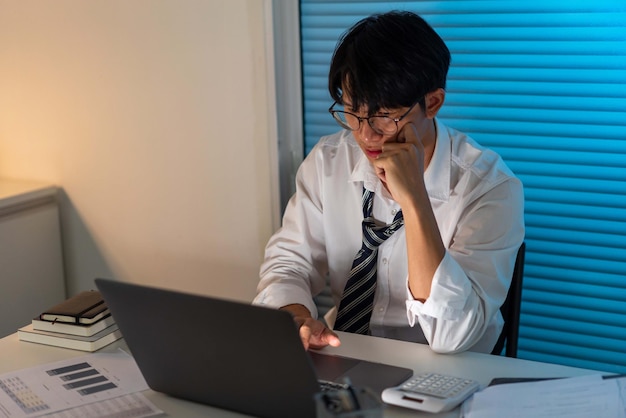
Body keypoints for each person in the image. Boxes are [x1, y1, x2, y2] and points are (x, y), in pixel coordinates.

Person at [253, 10, 524, 354]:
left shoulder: (490, 188)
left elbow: (452, 336)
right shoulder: (328, 161)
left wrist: (414, 200)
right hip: (345, 354)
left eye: (384, 116)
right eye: (351, 110)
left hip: (448, 371)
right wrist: (295, 319)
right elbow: (290, 262)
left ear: (433, 102)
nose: (365, 134)